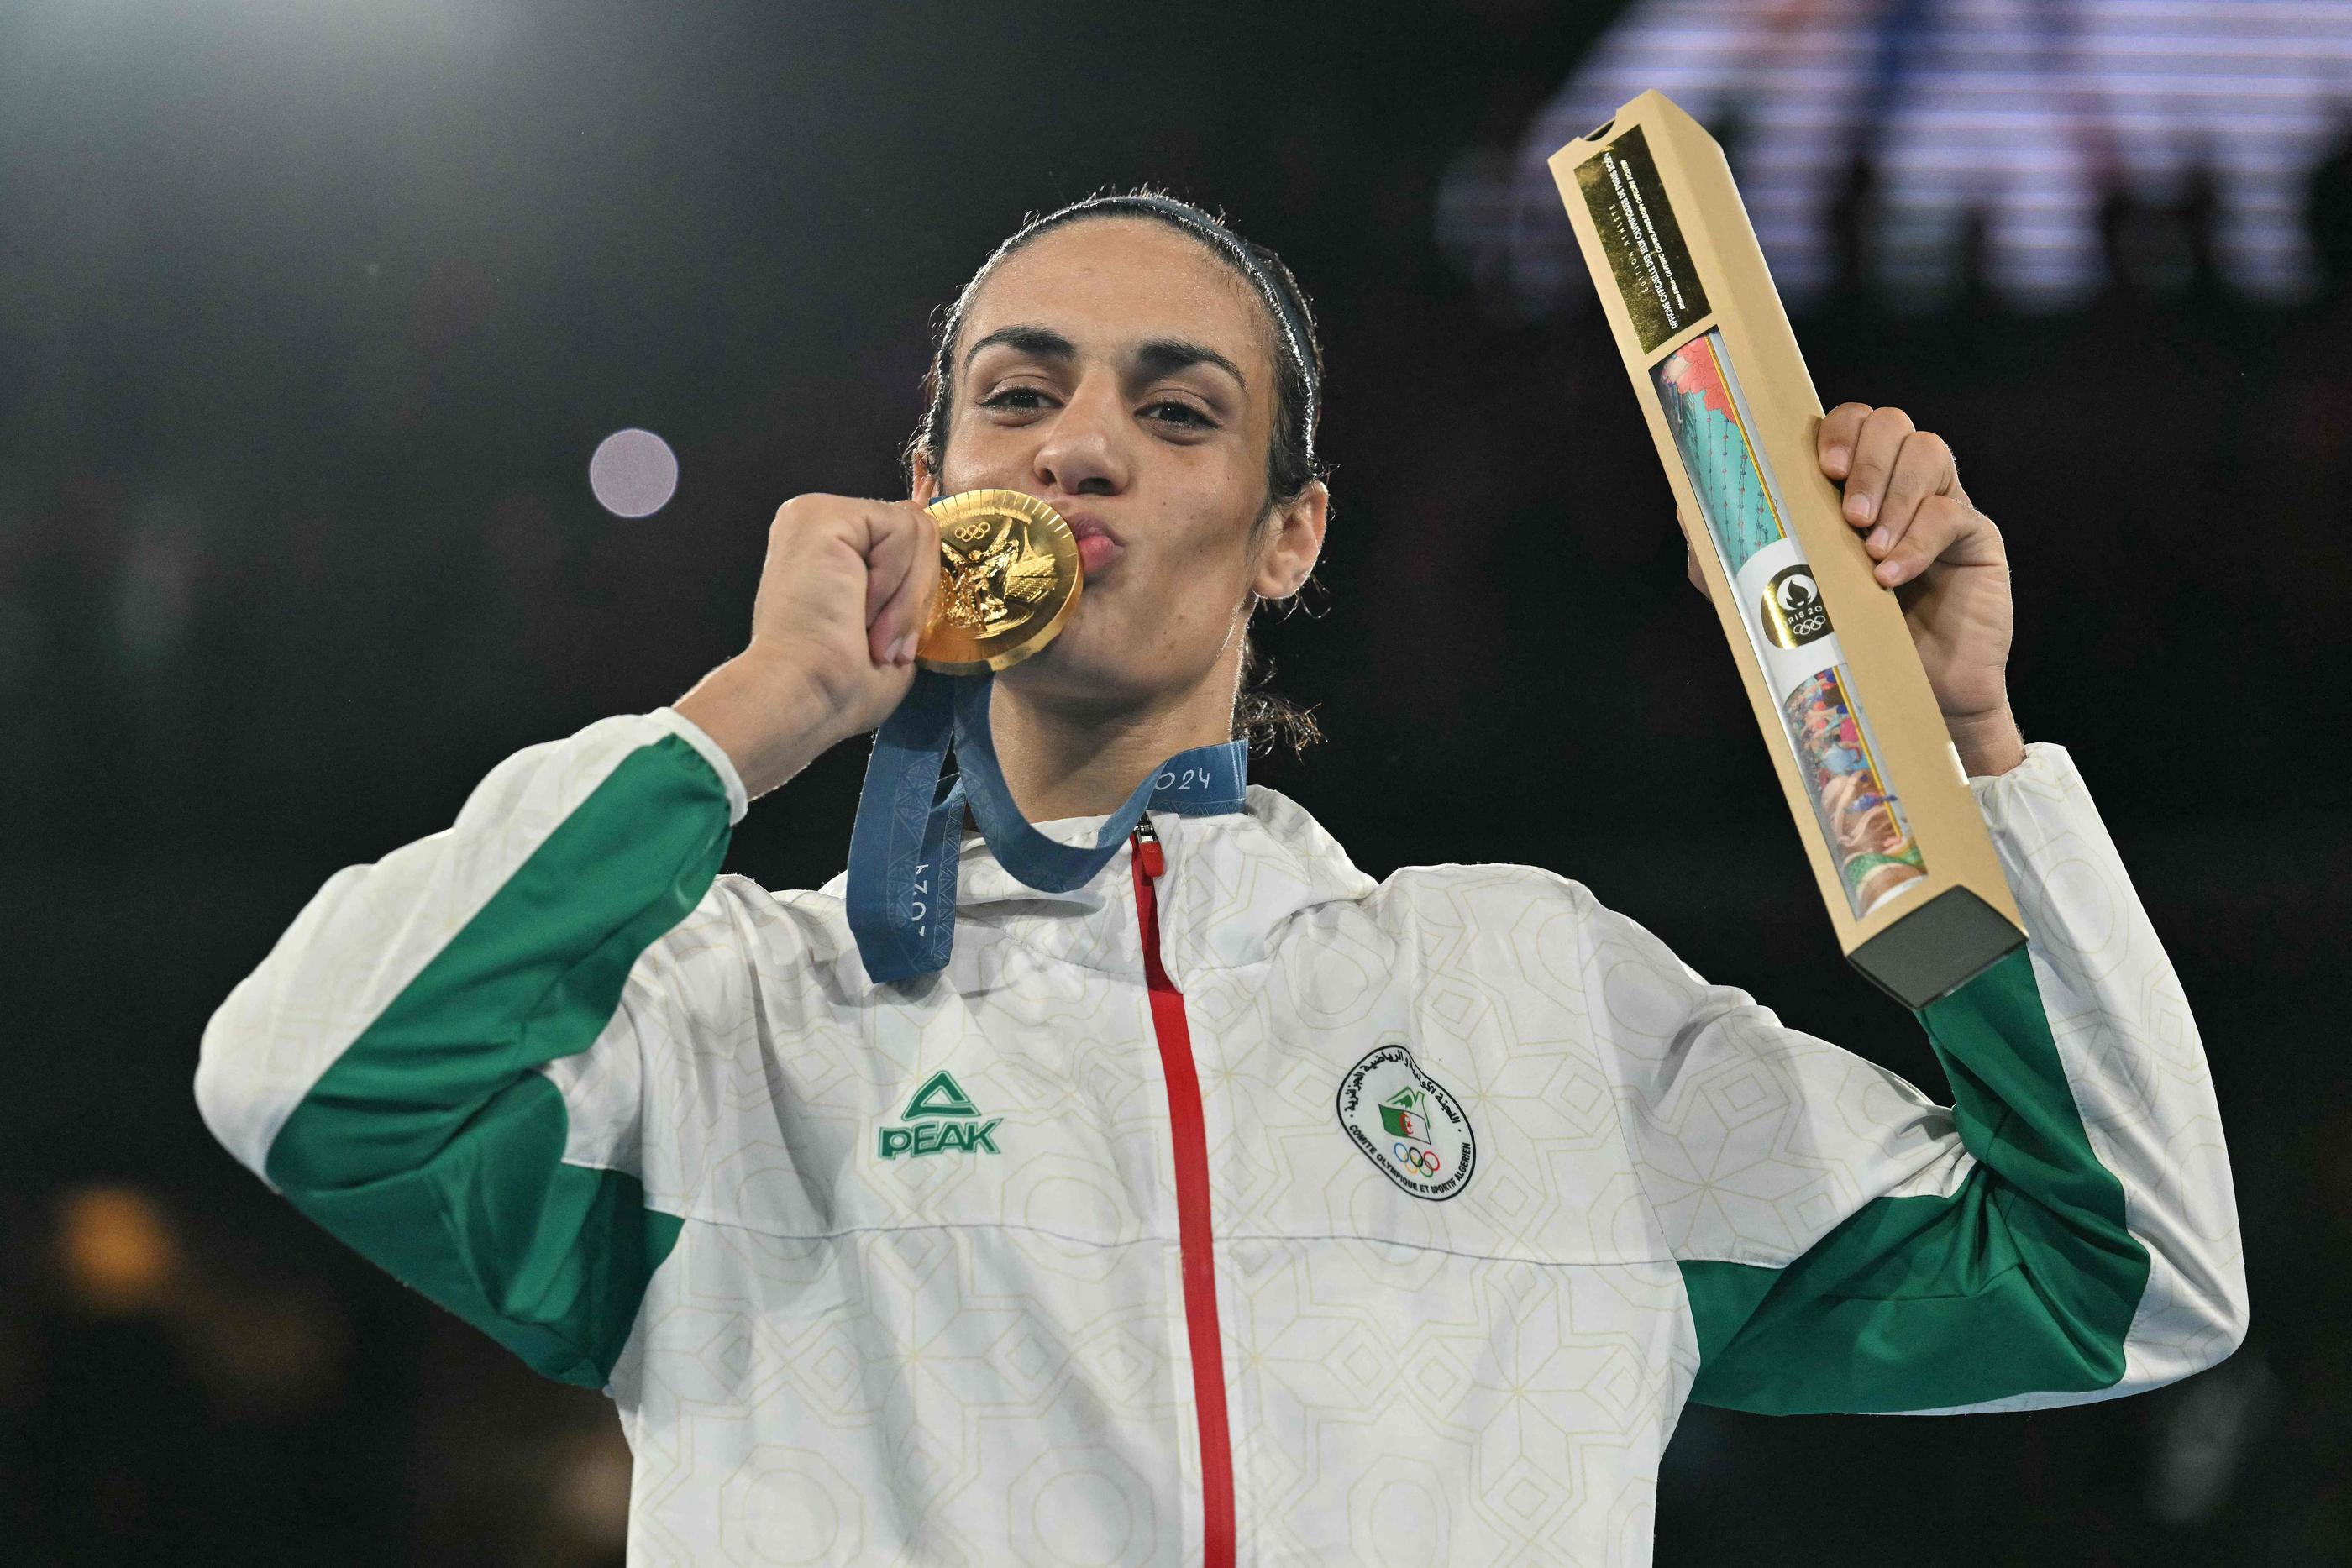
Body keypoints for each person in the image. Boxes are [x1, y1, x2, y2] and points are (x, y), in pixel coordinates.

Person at [195, 192, 2246, 1566]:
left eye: (1176, 412)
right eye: (1017, 395)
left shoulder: (1531, 999)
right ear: (930, 495)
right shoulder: (737, 1019)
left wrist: (1959, 755)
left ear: (1289, 537)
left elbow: (2127, 1276)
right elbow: (309, 1084)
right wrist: (742, 720)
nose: (1079, 445)